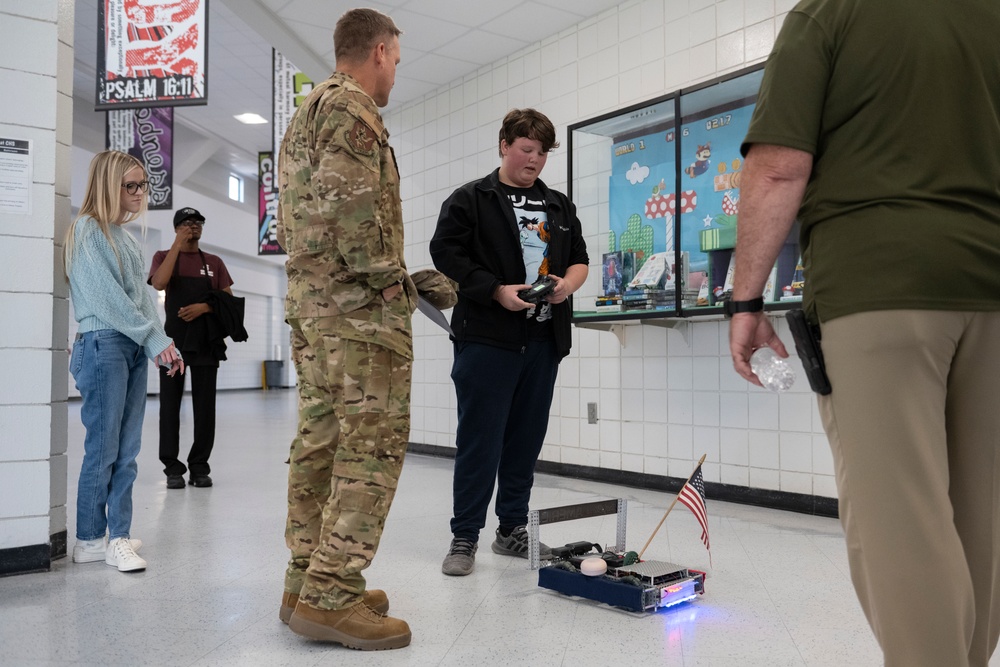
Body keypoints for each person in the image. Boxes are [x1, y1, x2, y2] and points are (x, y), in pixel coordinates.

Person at [727, 1, 1000, 665]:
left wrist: (746, 299)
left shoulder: (830, 13)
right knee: (984, 511)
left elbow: (778, 167)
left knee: (898, 513)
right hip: (991, 283)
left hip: (876, 288)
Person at [275, 7, 415, 651]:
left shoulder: (305, 112)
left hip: (313, 308)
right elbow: (353, 215)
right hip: (357, 315)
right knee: (372, 444)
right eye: (396, 60)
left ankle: (305, 580)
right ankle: (332, 593)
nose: (395, 74)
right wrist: (392, 283)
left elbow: (299, 219)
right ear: (379, 51)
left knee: (321, 440)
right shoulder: (352, 108)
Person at [430, 108, 589, 577]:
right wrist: (496, 290)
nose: (534, 160)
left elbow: (580, 259)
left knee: (525, 440)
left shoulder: (558, 205)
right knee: (480, 440)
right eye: (526, 149)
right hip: (487, 340)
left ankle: (512, 529)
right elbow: (445, 252)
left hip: (543, 341)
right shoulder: (471, 199)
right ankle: (465, 535)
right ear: (504, 145)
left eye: (542, 153)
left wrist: (566, 285)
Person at [65, 150, 184, 573]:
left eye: (142, 185)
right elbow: (107, 299)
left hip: (129, 345)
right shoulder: (86, 231)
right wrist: (151, 339)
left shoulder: (126, 239)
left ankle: (116, 533)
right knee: (103, 448)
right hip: (103, 345)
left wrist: (161, 343)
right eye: (130, 185)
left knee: (128, 450)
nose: (139, 193)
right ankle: (90, 540)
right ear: (107, 186)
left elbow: (143, 299)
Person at [148, 207, 237, 490]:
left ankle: (199, 467)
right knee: (169, 406)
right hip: (172, 344)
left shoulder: (214, 262)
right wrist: (177, 244)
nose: (193, 226)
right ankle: (172, 468)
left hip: (206, 342)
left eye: (198, 222)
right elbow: (159, 283)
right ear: (176, 228)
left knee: (205, 408)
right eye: (187, 222)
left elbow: (228, 302)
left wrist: (205, 307)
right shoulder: (163, 256)